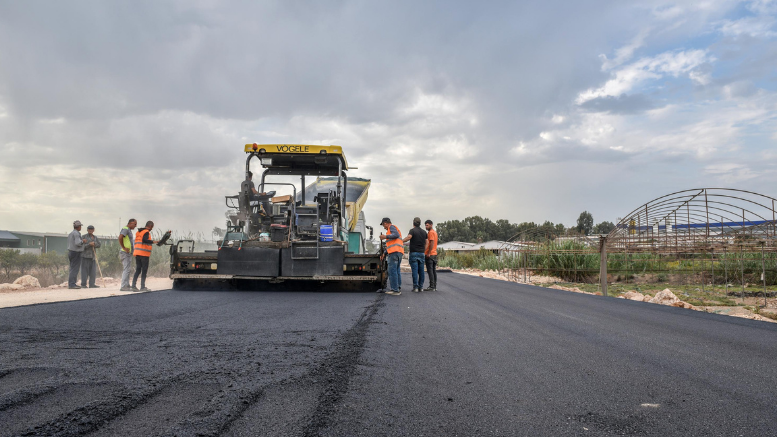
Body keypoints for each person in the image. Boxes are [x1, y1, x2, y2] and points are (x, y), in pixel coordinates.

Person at [132, 220, 160, 292]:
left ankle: (133, 286)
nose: (151, 229)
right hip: (144, 254)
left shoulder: (139, 232)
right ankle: (142, 287)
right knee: (144, 270)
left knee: (138, 270)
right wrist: (154, 241)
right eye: (152, 227)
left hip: (137, 253)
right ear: (150, 226)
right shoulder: (146, 232)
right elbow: (145, 240)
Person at [378, 217, 403, 295]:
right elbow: (390, 245)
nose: (384, 227)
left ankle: (395, 290)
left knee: (392, 271)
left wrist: (385, 237)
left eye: (383, 225)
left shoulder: (391, 227)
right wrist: (384, 254)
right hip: (398, 252)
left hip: (394, 253)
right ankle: (398, 288)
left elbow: (396, 235)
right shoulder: (391, 230)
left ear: (385, 223)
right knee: (397, 271)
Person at [403, 217, 427, 292]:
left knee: (415, 271)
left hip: (414, 253)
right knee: (421, 271)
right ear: (420, 223)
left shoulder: (412, 231)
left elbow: (409, 237)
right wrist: (424, 250)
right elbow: (427, 242)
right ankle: (421, 287)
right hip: (421, 253)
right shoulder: (424, 232)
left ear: (413, 223)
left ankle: (415, 287)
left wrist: (401, 241)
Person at [119, 219, 137, 292]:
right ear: (130, 223)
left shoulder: (129, 230)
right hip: (125, 253)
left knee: (128, 269)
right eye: (134, 224)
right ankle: (123, 286)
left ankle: (126, 285)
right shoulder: (125, 229)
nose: (135, 226)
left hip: (128, 253)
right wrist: (123, 247)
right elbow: (120, 237)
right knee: (126, 269)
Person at [67, 220, 86, 289]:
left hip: (71, 252)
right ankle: (72, 284)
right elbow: (78, 243)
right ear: (78, 227)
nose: (81, 227)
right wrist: (83, 241)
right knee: (74, 269)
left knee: (72, 268)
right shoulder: (76, 234)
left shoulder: (71, 233)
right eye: (80, 226)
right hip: (76, 253)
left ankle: (72, 283)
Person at [424, 219, 438, 291]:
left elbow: (431, 242)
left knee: (430, 271)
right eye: (425, 225)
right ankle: (434, 286)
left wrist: (428, 252)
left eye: (427, 225)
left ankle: (432, 286)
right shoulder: (434, 232)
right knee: (433, 270)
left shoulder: (431, 233)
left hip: (431, 254)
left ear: (431, 225)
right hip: (434, 254)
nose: (426, 227)